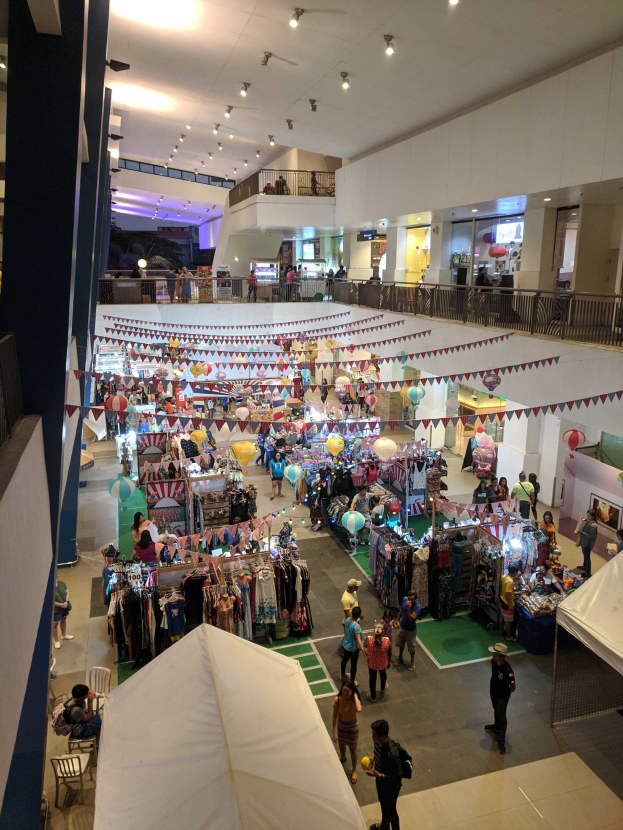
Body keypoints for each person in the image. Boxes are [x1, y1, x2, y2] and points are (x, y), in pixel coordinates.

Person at [365, 719, 403, 830]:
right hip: (380, 781)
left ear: (382, 737)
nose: (372, 738)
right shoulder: (378, 742)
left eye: (374, 736)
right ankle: (385, 826)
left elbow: (397, 777)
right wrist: (372, 759)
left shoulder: (392, 753)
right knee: (383, 804)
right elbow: (375, 750)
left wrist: (380, 775)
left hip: (390, 785)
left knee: (391, 810)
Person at [485, 642, 516, 755]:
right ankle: (496, 726)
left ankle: (501, 739)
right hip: (493, 692)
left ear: (502, 656)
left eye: (495, 654)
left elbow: (513, 687)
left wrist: (506, 693)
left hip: (502, 696)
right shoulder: (493, 662)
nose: (493, 656)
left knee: (502, 715)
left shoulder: (508, 671)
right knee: (496, 709)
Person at [332, 680, 362, 785]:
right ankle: (343, 756)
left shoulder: (354, 700)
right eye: (344, 691)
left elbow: (359, 709)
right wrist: (334, 732)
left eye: (348, 692)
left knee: (353, 749)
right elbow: (334, 716)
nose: (345, 694)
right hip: (341, 726)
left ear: (352, 692)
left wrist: (354, 696)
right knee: (341, 744)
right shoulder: (338, 700)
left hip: (352, 727)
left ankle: (354, 770)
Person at [393, 589, 421, 671]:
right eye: (409, 599)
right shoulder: (405, 599)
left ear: (415, 599)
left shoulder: (417, 607)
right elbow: (401, 609)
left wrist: (409, 609)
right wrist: (398, 620)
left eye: (412, 599)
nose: (409, 601)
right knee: (400, 643)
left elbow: (412, 619)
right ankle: (400, 657)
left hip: (411, 630)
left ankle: (412, 661)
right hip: (402, 626)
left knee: (411, 647)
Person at [365, 623, 391, 703]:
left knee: (372, 679)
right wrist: (389, 662)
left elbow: (365, 646)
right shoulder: (387, 641)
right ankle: (382, 688)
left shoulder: (369, 639)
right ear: (382, 631)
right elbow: (389, 653)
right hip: (383, 663)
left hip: (372, 663)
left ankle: (373, 697)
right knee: (383, 675)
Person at [340, 606, 364, 685]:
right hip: (353, 648)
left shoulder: (347, 620)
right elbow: (358, 639)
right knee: (354, 664)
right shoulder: (357, 626)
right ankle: (352, 681)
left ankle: (343, 675)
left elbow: (345, 631)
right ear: (359, 615)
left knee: (345, 660)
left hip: (346, 644)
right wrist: (363, 651)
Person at [575, 509, 598, 576]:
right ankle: (584, 566)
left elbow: (592, 536)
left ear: (593, 517)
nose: (587, 517)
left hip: (587, 543)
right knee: (585, 555)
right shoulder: (589, 522)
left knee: (587, 557)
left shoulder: (593, 526)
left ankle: (588, 571)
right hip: (584, 542)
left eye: (589, 516)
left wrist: (582, 532)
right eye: (587, 516)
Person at [53, 578, 74, 649]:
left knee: (64, 620)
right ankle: (56, 641)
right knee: (54, 625)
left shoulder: (61, 583)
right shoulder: (50, 588)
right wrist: (60, 605)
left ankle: (63, 635)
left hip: (64, 607)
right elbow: (51, 601)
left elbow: (67, 592)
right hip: (56, 610)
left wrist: (66, 602)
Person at [500, 564, 519, 641]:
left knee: (502, 616)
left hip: (502, 599)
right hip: (507, 603)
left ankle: (501, 630)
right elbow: (508, 593)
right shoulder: (510, 581)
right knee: (508, 620)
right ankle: (508, 636)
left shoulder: (504, 577)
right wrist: (510, 604)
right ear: (514, 573)